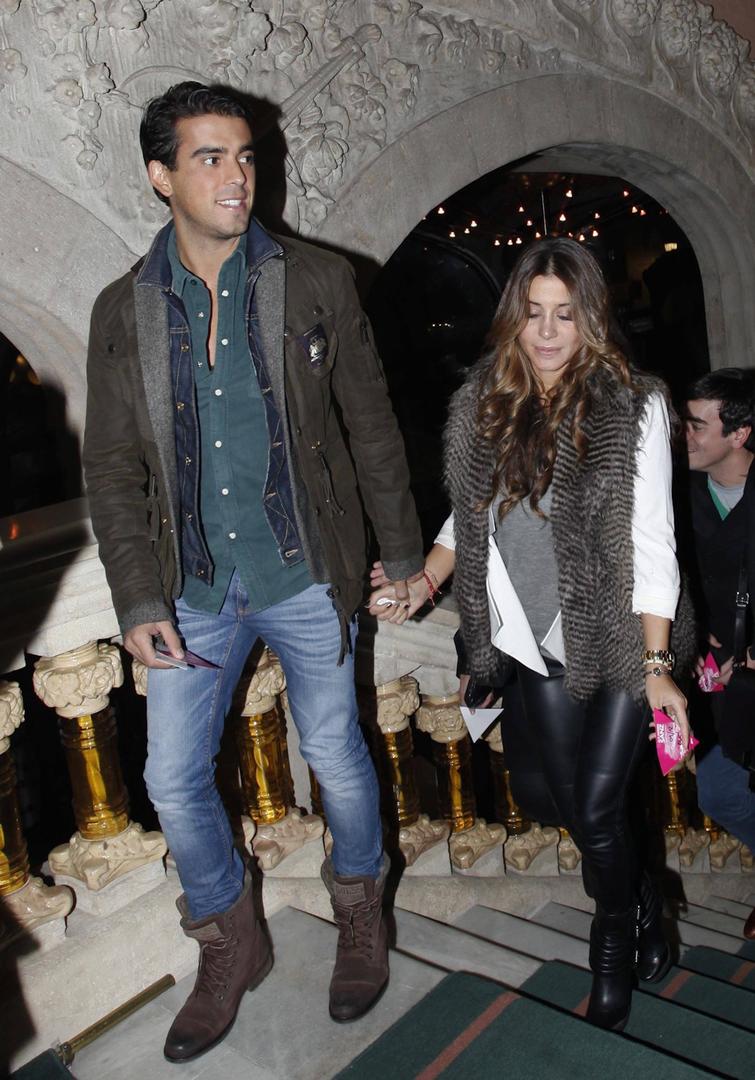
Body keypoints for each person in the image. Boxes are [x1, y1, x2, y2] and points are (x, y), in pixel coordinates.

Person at [83, 82, 423, 1062]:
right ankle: (231, 941)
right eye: (209, 158)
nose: (237, 176)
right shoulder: (124, 309)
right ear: (161, 177)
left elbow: (370, 424)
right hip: (191, 586)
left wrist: (403, 555)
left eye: (244, 156)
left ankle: (360, 913)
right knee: (169, 778)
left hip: (304, 568)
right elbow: (111, 465)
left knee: (336, 753)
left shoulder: (315, 279)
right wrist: (136, 596)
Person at [370, 237, 692, 1031]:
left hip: (617, 633)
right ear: (513, 317)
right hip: (533, 640)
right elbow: (466, 518)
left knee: (595, 806)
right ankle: (643, 895)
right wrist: (423, 581)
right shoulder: (485, 403)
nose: (547, 333)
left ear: (591, 320)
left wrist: (656, 663)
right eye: (534, 313)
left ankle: (611, 944)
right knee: (557, 799)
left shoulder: (632, 405)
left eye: (565, 315)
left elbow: (653, 542)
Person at [682, 369, 755, 937]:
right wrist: (691, 629)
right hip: (718, 678)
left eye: (697, 425)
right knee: (719, 790)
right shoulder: (680, 495)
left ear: (739, 434)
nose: (685, 435)